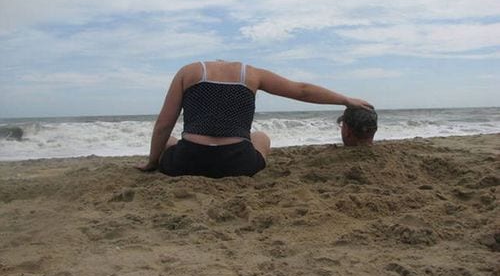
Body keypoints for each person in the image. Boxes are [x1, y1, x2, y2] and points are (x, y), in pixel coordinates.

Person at [136, 60, 374, 178]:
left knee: (171, 141)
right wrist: (345, 99)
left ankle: (164, 157)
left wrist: (152, 162)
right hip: (238, 164)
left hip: (187, 163)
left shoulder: (188, 72)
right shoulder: (251, 74)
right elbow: (301, 90)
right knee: (260, 137)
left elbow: (164, 124)